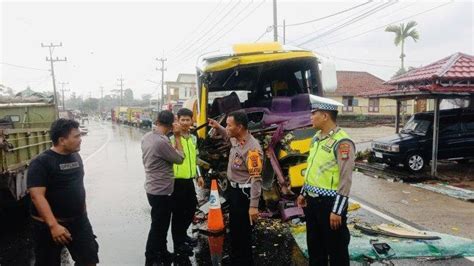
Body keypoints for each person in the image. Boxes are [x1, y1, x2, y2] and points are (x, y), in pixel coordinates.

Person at [27, 118, 99, 266]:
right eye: (76, 136)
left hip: (78, 222)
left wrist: (83, 213)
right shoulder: (41, 162)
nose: (80, 140)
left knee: (89, 258)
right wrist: (53, 226)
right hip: (49, 226)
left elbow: (78, 186)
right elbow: (36, 196)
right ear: (62, 140)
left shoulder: (76, 156)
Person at [296, 95, 355, 266]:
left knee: (337, 251)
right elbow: (311, 168)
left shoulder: (342, 142)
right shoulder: (316, 138)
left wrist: (337, 210)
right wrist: (303, 192)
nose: (310, 117)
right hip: (312, 203)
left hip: (330, 204)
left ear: (325, 116)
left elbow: (345, 180)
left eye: (314, 113)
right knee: (315, 247)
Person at [208, 111, 263, 265]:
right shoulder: (236, 138)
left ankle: (244, 261)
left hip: (244, 195)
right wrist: (218, 126)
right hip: (234, 192)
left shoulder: (252, 149)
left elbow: (256, 179)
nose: (227, 128)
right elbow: (226, 135)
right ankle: (236, 258)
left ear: (239, 127)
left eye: (229, 125)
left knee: (243, 232)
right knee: (235, 229)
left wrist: (253, 206)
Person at [141, 110, 184, 265]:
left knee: (161, 224)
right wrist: (178, 137)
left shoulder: (147, 137)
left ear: (157, 121)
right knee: (158, 226)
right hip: (162, 190)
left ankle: (163, 253)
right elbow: (180, 158)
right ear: (171, 124)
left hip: (152, 187)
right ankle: (151, 257)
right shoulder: (162, 141)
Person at [169, 108, 204, 257]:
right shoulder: (172, 138)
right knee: (178, 213)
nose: (184, 123)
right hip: (176, 181)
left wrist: (198, 175)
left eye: (187, 120)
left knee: (190, 209)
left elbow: (194, 159)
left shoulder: (193, 138)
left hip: (189, 180)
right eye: (182, 120)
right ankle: (178, 243)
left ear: (192, 121)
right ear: (177, 120)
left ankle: (183, 236)